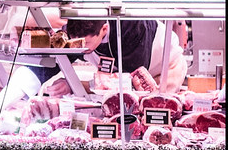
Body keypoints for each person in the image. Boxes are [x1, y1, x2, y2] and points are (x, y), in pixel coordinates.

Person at [21, 17, 187, 98]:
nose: (82, 48)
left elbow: (128, 83)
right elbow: (54, 62)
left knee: (156, 107)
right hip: (122, 79)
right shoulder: (75, 29)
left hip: (164, 69)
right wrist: (27, 83)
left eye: (86, 42)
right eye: (78, 42)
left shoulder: (132, 29)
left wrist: (74, 85)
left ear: (104, 29)